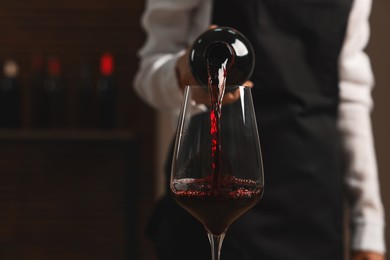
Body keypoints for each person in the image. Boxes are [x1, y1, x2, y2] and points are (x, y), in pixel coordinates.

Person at [133, 0, 386, 259]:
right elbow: (149, 72)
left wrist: (368, 227)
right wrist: (182, 73)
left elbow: (351, 97)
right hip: (212, 195)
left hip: (312, 206)